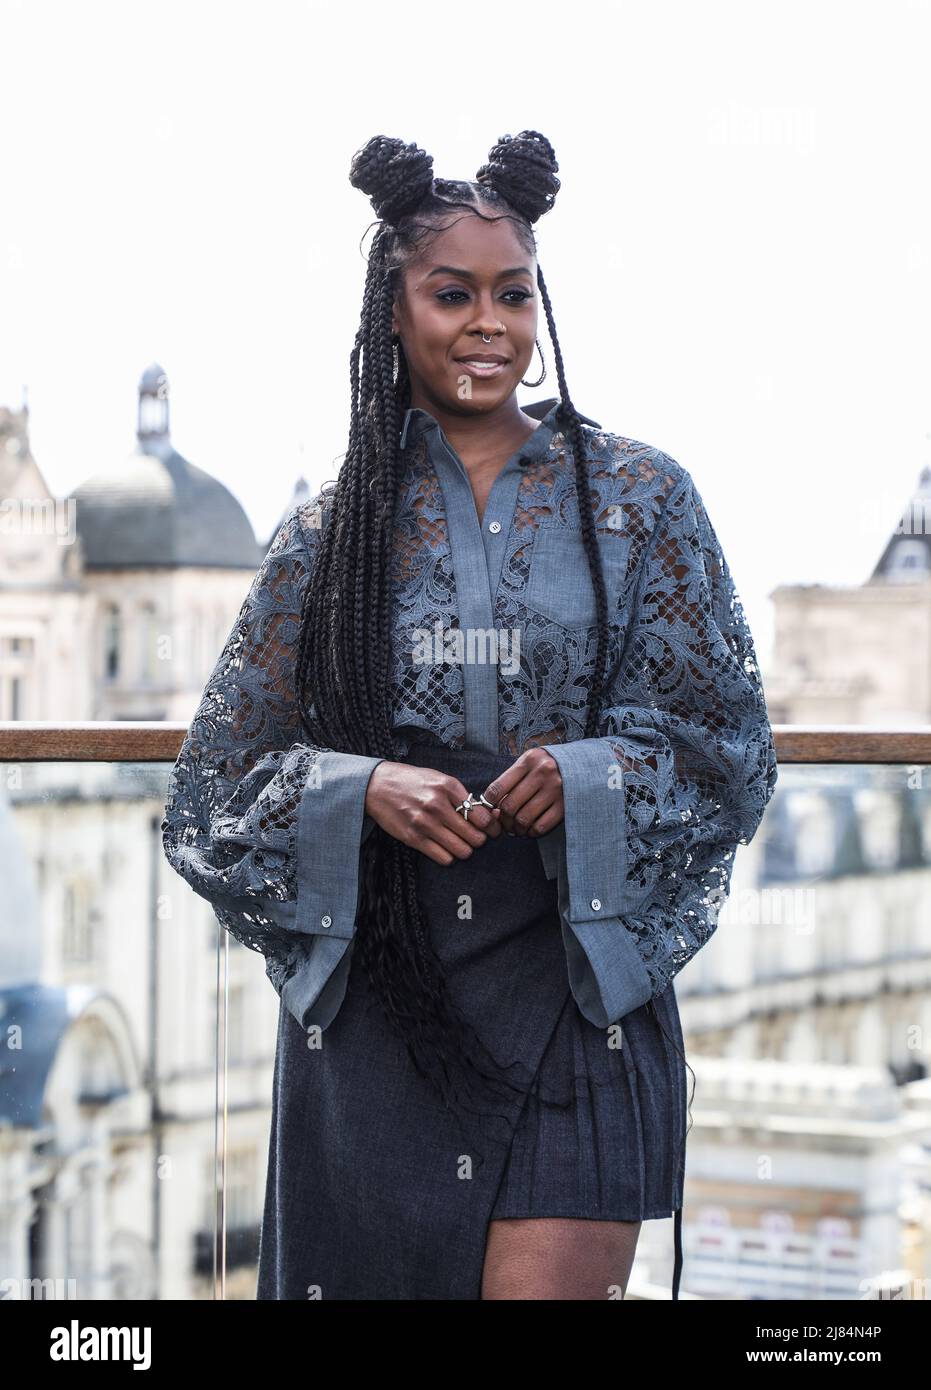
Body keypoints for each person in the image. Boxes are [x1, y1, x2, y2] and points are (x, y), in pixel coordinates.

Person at [161, 129, 778, 1300]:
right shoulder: (325, 536)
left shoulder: (645, 501)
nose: (487, 322)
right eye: (452, 294)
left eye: (513, 293)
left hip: (574, 981)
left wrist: (591, 777)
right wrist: (359, 790)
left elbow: (731, 752)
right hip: (390, 1000)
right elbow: (209, 798)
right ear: (392, 313)